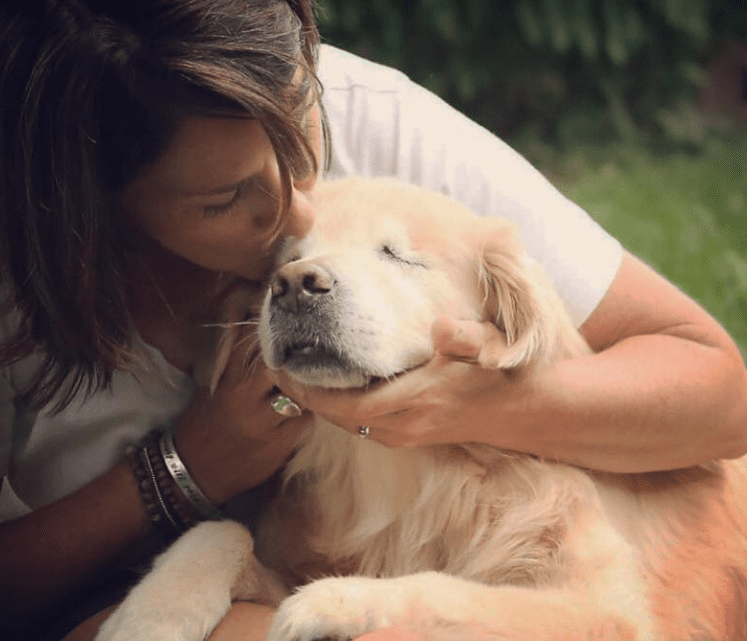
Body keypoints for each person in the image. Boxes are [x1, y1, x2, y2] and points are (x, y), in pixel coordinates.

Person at [0, 1, 745, 640]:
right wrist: (189, 467)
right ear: (93, 207)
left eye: (302, 135)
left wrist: (492, 406)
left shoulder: (371, 114)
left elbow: (717, 390)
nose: (299, 217)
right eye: (225, 199)